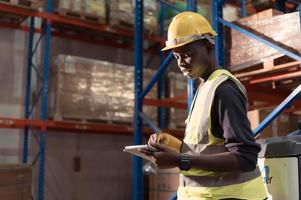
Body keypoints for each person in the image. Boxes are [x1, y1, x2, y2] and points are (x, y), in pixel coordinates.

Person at [141, 12, 267, 200]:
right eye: (176, 57)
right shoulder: (205, 87)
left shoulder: (225, 90)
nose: (181, 63)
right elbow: (210, 146)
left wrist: (180, 160)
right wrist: (174, 146)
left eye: (186, 55)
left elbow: (245, 157)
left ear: (207, 47)